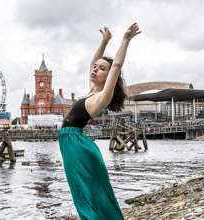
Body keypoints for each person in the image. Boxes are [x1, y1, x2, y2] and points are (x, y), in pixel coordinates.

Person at [58, 23, 141, 220]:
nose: (95, 69)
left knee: (84, 191)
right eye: (95, 67)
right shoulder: (90, 92)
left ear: (109, 76)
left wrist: (125, 40)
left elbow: (117, 66)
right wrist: (104, 42)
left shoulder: (102, 97)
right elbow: (92, 63)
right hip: (72, 144)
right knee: (84, 189)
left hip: (76, 145)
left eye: (101, 69)